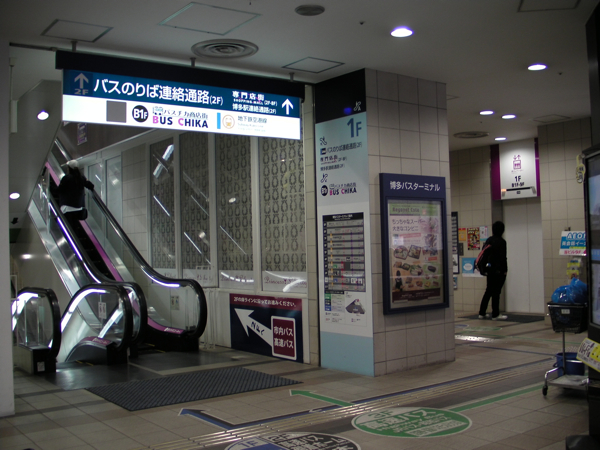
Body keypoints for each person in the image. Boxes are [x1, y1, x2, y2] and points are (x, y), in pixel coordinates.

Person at [478, 221, 508, 320]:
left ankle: (482, 312)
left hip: (489, 270)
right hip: (498, 270)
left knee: (488, 291)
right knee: (496, 292)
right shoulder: (502, 242)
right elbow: (503, 258)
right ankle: (495, 314)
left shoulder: (489, 240)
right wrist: (505, 270)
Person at [55, 160, 94, 232]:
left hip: (67, 207)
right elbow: (91, 185)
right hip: (78, 208)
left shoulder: (66, 178)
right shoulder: (81, 178)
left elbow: (59, 190)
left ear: (69, 168)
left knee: (68, 227)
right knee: (74, 227)